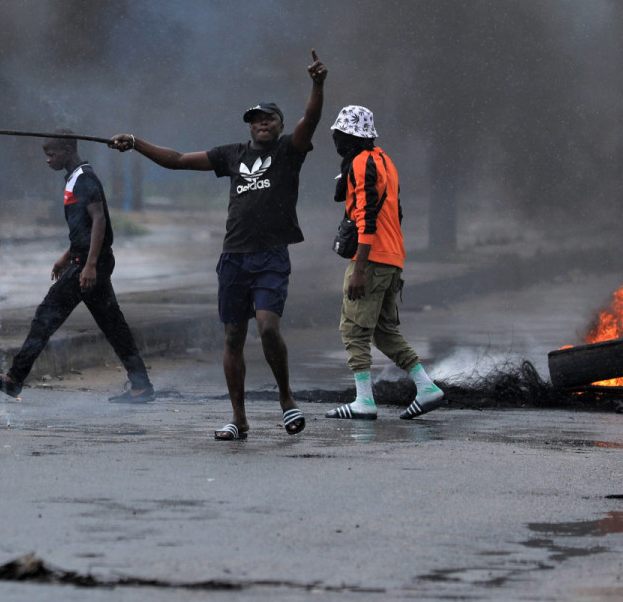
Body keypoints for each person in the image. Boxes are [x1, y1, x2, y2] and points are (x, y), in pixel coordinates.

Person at [113, 50, 327, 440]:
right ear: (248, 128)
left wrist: (317, 84)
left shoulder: (288, 152)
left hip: (271, 256)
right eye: (256, 121)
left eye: (269, 119)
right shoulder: (231, 155)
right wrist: (135, 142)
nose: (262, 124)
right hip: (234, 257)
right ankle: (239, 418)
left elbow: (310, 120)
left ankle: (285, 399)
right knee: (232, 337)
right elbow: (177, 160)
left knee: (266, 327)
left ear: (279, 125)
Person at [0, 135, 154, 402]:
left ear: (68, 150)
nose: (48, 160)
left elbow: (99, 222)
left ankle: (14, 378)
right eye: (46, 155)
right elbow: (83, 229)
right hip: (85, 259)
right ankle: (141, 386)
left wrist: (89, 266)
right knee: (114, 326)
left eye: (52, 154)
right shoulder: (74, 178)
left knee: (45, 316)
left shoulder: (84, 178)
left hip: (89, 263)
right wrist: (66, 256)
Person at [324, 105, 445, 420]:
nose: (335, 139)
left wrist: (360, 269)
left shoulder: (363, 163)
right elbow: (394, 210)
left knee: (353, 329)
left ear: (350, 135)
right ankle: (427, 388)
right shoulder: (384, 160)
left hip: (372, 258)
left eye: (339, 134)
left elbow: (366, 216)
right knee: (383, 331)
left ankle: (364, 402)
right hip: (392, 257)